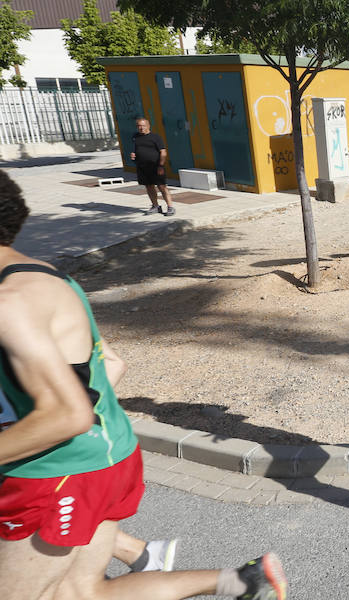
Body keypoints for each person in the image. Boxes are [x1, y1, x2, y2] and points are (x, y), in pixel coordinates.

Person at [0, 169, 287, 600]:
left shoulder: (12, 301)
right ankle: (243, 581)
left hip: (58, 473)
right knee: (82, 592)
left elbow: (68, 414)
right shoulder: (46, 277)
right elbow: (110, 364)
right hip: (103, 459)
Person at [130, 118, 174, 217]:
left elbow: (163, 152)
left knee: (162, 186)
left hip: (156, 167)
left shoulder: (155, 137)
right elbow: (137, 150)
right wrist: (134, 155)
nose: (141, 128)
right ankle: (155, 206)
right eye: (139, 126)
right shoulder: (135, 137)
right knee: (149, 187)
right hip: (142, 167)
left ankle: (170, 207)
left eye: (143, 126)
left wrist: (161, 166)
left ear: (148, 126)